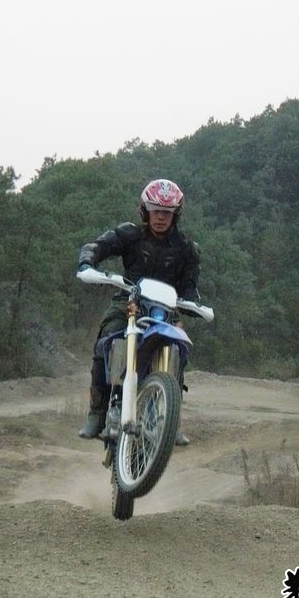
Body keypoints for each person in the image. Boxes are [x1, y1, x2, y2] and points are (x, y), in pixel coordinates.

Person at [77, 178, 201, 446]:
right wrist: (87, 262)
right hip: (128, 302)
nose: (161, 217)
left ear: (175, 215)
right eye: (156, 211)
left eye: (167, 212)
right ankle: (97, 413)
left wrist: (193, 304)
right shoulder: (130, 235)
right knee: (107, 339)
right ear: (145, 211)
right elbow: (97, 246)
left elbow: (190, 286)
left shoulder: (186, 249)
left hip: (166, 309)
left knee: (179, 349)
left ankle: (171, 421)